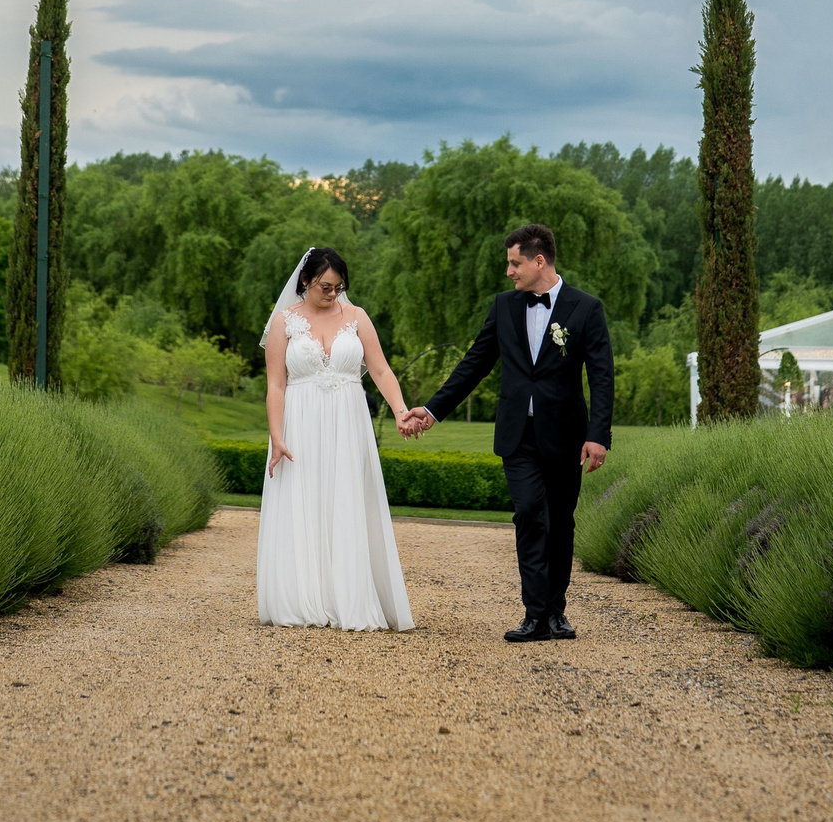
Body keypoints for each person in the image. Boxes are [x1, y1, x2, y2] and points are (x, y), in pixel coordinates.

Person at [397, 222, 614, 642]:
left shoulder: (586, 308)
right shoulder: (503, 306)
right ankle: (534, 615)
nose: (509, 271)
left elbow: (602, 377)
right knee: (530, 514)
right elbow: (474, 363)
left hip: (566, 436)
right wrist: (433, 409)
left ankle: (555, 612)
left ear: (539, 261)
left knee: (560, 522)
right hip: (518, 436)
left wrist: (598, 435)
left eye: (515, 263)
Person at [256, 246, 416, 630]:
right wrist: (277, 437)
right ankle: (304, 599)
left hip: (348, 420)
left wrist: (400, 411)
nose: (332, 294)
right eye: (325, 287)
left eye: (338, 287)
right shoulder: (283, 322)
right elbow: (276, 385)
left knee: (346, 501)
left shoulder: (357, 317)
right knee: (304, 502)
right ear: (305, 281)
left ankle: (350, 597)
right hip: (300, 422)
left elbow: (380, 370)